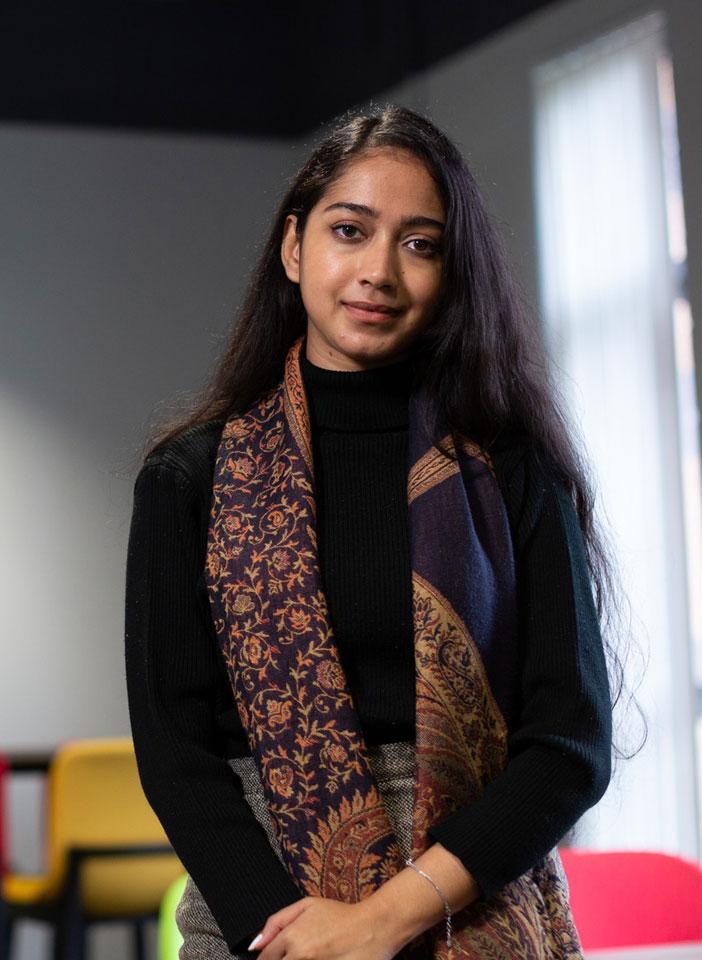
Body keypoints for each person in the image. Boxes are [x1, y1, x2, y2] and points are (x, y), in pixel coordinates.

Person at [124, 104, 619, 959]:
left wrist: (385, 921)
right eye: (350, 230)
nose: (379, 271)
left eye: (421, 244)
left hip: (476, 890)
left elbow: (570, 743)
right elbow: (178, 756)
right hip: (264, 909)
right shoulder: (187, 480)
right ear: (293, 248)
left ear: (451, 274)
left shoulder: (511, 469)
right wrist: (291, 936)